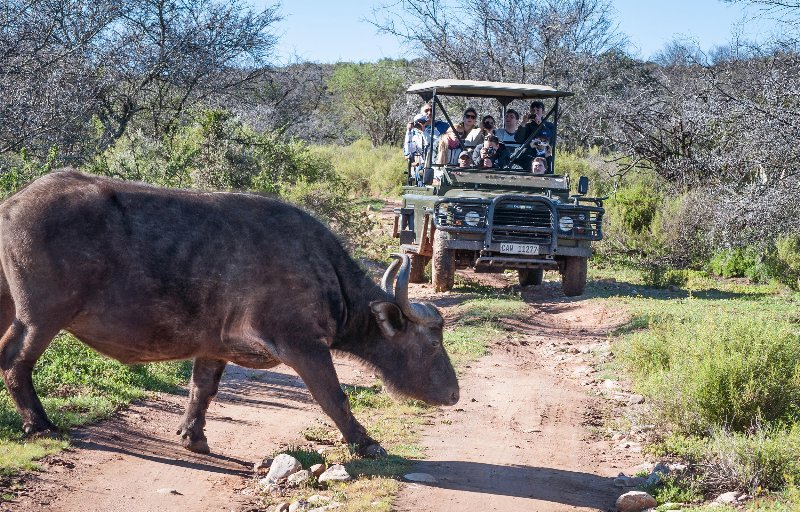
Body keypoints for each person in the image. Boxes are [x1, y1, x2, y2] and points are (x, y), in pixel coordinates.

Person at [403, 113, 428, 185]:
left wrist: (422, 131)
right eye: (418, 123)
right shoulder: (413, 136)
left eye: (423, 122)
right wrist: (409, 130)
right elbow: (408, 149)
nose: (420, 124)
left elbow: (427, 143)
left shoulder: (429, 133)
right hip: (418, 166)